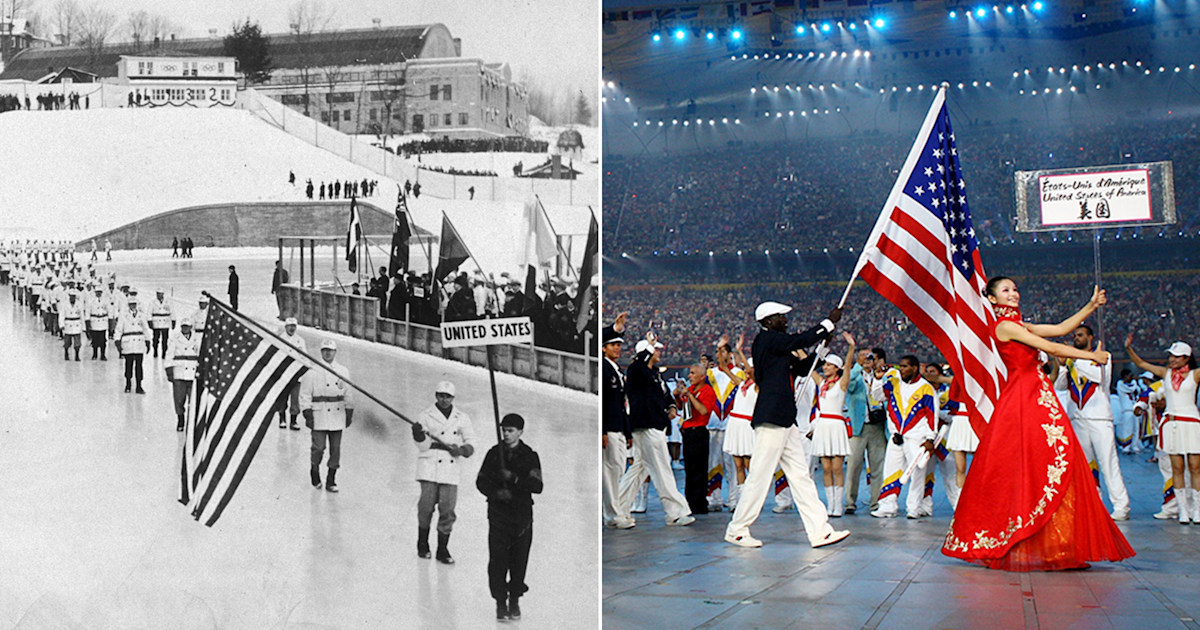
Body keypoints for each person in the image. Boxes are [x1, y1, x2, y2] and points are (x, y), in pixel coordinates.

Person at [943, 278, 1134, 570]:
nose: (1013, 293)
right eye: (1005, 290)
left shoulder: (1019, 324)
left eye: (1015, 289)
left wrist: (1090, 306)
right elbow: (1050, 347)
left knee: (1055, 461)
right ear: (993, 300)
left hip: (1036, 394)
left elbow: (1059, 329)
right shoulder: (1004, 326)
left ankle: (1057, 540)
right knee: (1046, 459)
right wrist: (1090, 355)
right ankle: (1013, 536)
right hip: (1024, 397)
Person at [725, 301, 849, 549]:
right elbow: (799, 340)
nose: (786, 320)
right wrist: (827, 322)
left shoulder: (776, 346)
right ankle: (737, 529)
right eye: (782, 317)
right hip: (773, 418)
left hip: (784, 419)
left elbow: (802, 367)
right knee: (760, 475)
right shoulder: (767, 340)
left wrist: (824, 347)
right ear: (769, 320)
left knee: (801, 476)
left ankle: (820, 530)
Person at [614, 336, 695, 527]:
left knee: (639, 469)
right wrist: (648, 346)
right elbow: (641, 367)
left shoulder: (655, 374)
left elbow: (665, 394)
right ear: (645, 353)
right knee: (661, 468)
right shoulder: (636, 371)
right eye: (655, 350)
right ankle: (675, 512)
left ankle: (617, 509)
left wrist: (671, 406)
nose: (659, 352)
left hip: (655, 424)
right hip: (646, 425)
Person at [1053, 325, 1131, 521]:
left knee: (1108, 463)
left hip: (1099, 417)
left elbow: (1100, 378)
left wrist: (1075, 359)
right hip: (1077, 417)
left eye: (1080, 335)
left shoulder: (1102, 356)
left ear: (1090, 337)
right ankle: (1094, 501)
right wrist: (1063, 365)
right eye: (1074, 336)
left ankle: (1121, 506)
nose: (1076, 338)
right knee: (1087, 465)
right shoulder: (1073, 359)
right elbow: (1060, 385)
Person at [477, 413, 543, 621]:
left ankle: (514, 600)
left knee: (518, 562)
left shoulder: (530, 455)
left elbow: (537, 486)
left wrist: (514, 479)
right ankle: (500, 602)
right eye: (504, 430)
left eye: (511, 431)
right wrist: (495, 492)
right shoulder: (494, 454)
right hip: (498, 517)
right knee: (497, 562)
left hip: (522, 518)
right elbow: (480, 481)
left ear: (520, 432)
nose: (506, 434)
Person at [1126, 337, 1200, 523]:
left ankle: (1197, 510)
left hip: (1191, 422)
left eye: (1176, 357)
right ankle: (1183, 511)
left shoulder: (1194, 375)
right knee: (1177, 468)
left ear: (1186, 358)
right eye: (1171, 356)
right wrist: (1128, 348)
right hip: (1172, 424)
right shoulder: (1165, 373)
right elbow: (1141, 363)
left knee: (1195, 468)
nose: (1172, 360)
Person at [411, 380, 476, 564]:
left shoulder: (461, 417)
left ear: (453, 398)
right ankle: (422, 543)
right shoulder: (425, 415)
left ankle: (442, 548)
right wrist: (417, 435)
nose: (444, 400)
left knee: (447, 510)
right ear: (436, 396)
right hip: (430, 466)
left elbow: (472, 440)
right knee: (426, 507)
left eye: (447, 396)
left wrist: (462, 450)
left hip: (450, 468)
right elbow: (422, 446)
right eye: (441, 395)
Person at [870, 355, 940, 519]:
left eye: (905, 367)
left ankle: (914, 508)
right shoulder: (894, 382)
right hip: (896, 436)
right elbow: (878, 396)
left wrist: (930, 438)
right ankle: (887, 506)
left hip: (917, 438)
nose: (901, 370)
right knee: (891, 470)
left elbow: (932, 414)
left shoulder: (925, 388)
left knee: (916, 473)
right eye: (900, 367)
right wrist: (878, 379)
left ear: (914, 368)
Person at [809, 335, 856, 518]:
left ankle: (839, 504)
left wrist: (851, 348)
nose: (826, 367)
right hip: (823, 426)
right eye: (825, 364)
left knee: (837, 468)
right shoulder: (821, 384)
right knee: (826, 468)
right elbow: (812, 366)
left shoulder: (841, 384)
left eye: (829, 365)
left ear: (837, 368)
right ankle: (830, 504)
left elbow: (848, 367)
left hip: (836, 425)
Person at [300, 339, 353, 493]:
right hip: (319, 414)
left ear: (335, 352)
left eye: (330, 350)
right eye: (324, 350)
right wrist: (307, 412)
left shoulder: (343, 371)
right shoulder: (312, 371)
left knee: (335, 449)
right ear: (321, 352)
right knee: (319, 447)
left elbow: (348, 392)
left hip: (337, 414)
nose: (327, 353)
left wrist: (349, 410)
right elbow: (304, 394)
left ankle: (331, 479)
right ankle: (314, 469)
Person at [675, 363, 718, 515]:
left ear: (702, 377)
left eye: (693, 373)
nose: (690, 376)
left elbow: (703, 410)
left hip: (699, 431)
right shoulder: (691, 389)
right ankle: (690, 500)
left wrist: (691, 396)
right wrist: (678, 396)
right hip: (688, 432)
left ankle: (699, 503)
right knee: (690, 468)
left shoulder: (708, 391)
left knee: (699, 469)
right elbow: (683, 408)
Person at [601, 318, 632, 528]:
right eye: (613, 345)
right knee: (610, 471)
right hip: (608, 427)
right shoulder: (604, 368)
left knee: (619, 469)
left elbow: (622, 404)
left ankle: (616, 510)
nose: (617, 348)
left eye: (619, 345)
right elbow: (603, 401)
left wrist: (628, 432)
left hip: (619, 427)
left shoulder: (616, 370)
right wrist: (601, 430)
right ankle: (612, 515)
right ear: (604, 348)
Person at [165, 318, 201, 431]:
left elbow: (201, 354)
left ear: (191, 327)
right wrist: (169, 371)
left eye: (187, 327)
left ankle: (192, 421)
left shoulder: (197, 338)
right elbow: (169, 354)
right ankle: (180, 419)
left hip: (192, 372)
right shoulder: (175, 338)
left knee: (193, 399)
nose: (185, 329)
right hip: (179, 372)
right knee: (179, 399)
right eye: (183, 327)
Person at [116, 293, 151, 394]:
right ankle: (128, 384)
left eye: (134, 304)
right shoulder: (123, 316)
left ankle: (139, 386)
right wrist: (117, 341)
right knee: (129, 365)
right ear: (128, 305)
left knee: (139, 366)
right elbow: (119, 329)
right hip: (128, 343)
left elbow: (145, 329)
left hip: (139, 343)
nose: (133, 306)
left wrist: (148, 341)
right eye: (131, 304)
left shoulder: (141, 315)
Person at [276, 317, 307, 430]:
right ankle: (282, 419)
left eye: (294, 326)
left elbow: (304, 357)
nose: (292, 328)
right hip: (283, 375)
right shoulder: (279, 339)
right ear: (285, 327)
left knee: (295, 399)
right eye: (290, 326)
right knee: (282, 398)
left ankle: (294, 421)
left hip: (296, 376)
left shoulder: (300, 341)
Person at [59, 290, 84, 361]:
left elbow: (82, 315)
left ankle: (77, 355)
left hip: (76, 323)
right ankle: (66, 352)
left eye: (74, 296)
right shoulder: (64, 304)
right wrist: (61, 324)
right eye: (71, 296)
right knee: (67, 341)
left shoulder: (79, 304)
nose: (72, 298)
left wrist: (83, 326)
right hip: (68, 323)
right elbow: (62, 315)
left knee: (77, 342)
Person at [86, 287, 109, 360]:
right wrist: (88, 322)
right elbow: (87, 312)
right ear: (95, 292)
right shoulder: (91, 301)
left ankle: (103, 355)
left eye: (100, 292)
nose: (98, 293)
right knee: (95, 340)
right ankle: (94, 354)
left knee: (103, 340)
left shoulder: (105, 300)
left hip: (103, 322)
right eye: (97, 292)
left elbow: (109, 310)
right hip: (94, 322)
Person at [149, 289, 172, 358]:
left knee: (165, 339)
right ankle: (155, 351)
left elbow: (172, 311)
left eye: (160, 294)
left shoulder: (168, 302)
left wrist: (173, 320)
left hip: (165, 323)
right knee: (155, 339)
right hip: (156, 323)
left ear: (163, 294)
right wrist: (149, 321)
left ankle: (164, 352)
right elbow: (149, 313)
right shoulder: (152, 302)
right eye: (158, 294)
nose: (159, 295)